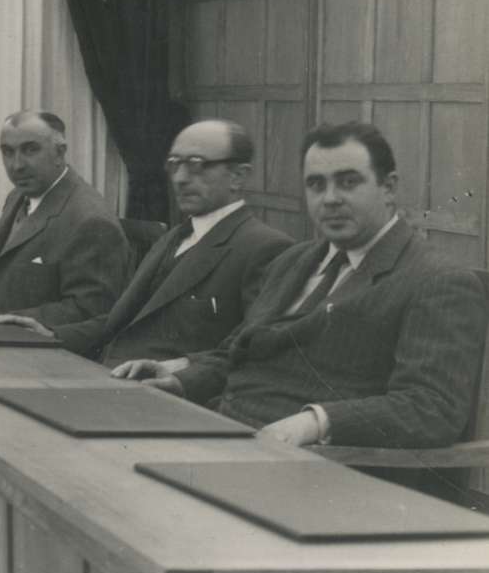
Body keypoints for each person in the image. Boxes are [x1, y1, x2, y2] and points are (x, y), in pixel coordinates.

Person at [114, 121, 487, 448]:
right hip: (225, 434)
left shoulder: (437, 281)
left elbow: (432, 408)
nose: (330, 199)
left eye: (348, 182)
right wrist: (179, 374)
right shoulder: (295, 260)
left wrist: (315, 423)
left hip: (319, 466)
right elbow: (238, 353)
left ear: (388, 187)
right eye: (316, 184)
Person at [0, 119, 291, 364]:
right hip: (110, 375)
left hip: (168, 397)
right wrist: (51, 333)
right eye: (174, 164)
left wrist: (179, 372)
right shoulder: (174, 237)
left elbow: (248, 353)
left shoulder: (265, 248)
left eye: (197, 164)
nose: (180, 178)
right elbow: (120, 321)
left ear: (238, 176)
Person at [0, 110, 128, 325]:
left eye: (30, 150)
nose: (16, 165)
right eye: (8, 152)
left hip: (23, 340)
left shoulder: (92, 221)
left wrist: (12, 322)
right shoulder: (18, 196)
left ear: (60, 153)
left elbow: (92, 311)